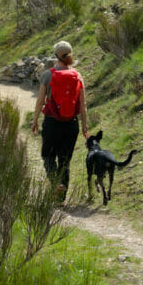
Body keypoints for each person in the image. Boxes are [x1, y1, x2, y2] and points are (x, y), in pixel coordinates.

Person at [31, 40, 88, 201]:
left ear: (56, 56)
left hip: (51, 123)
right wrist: (84, 125)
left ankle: (56, 184)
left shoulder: (48, 75)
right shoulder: (77, 76)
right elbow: (82, 104)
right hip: (71, 124)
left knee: (48, 156)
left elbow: (40, 100)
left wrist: (35, 120)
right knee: (65, 161)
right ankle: (60, 199)